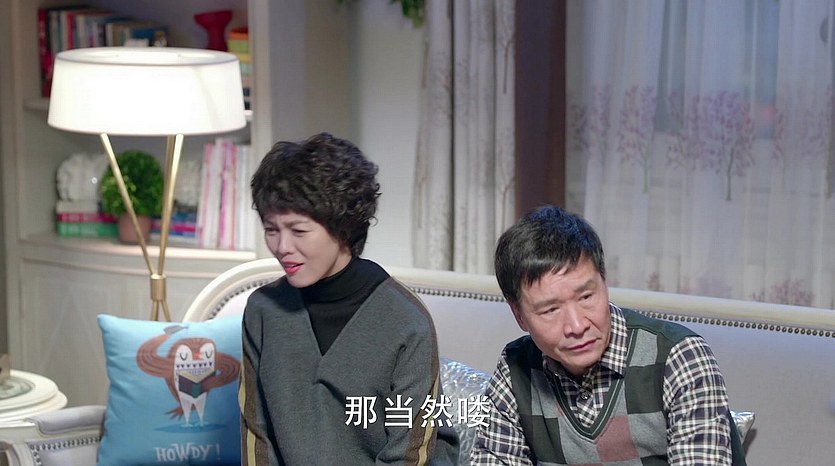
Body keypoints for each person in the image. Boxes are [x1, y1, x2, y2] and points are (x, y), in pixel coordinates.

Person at [239, 132, 459, 465]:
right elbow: (256, 436)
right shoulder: (263, 311)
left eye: (299, 231)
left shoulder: (404, 320)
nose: (282, 247)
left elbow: (409, 455)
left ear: (343, 226)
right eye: (272, 229)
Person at [471, 205, 746, 465]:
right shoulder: (515, 369)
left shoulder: (679, 357)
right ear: (519, 316)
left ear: (604, 281)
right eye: (551, 310)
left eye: (586, 296)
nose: (577, 326)